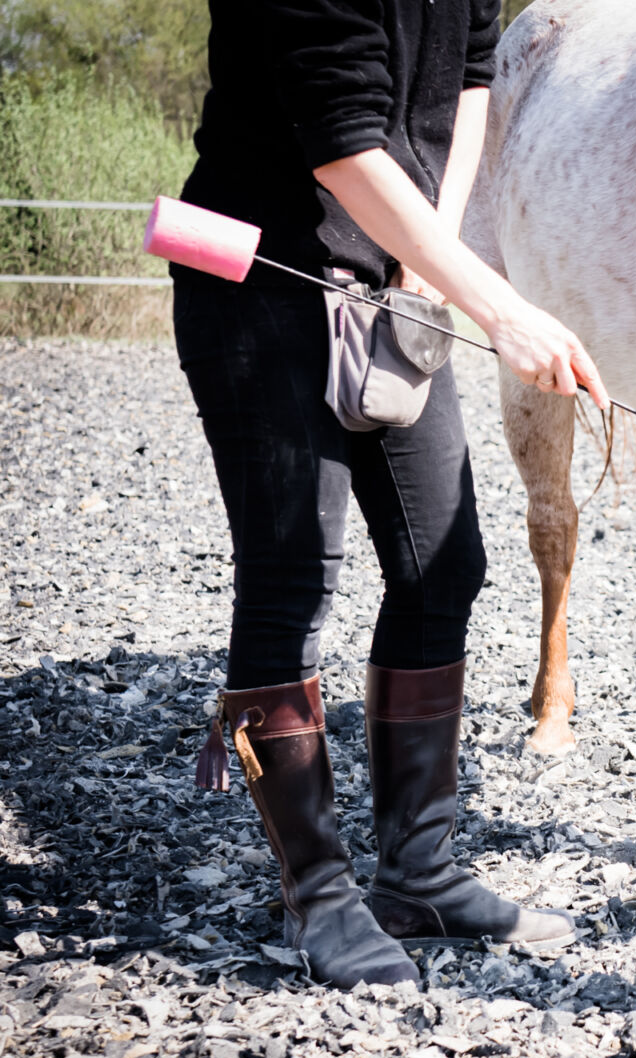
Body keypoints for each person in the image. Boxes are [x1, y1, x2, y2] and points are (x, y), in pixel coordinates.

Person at [173, 0, 607, 989]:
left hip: (391, 288)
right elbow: (341, 145)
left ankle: (419, 871)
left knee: (442, 564)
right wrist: (497, 306)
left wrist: (427, 260)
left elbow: (468, 81)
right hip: (263, 290)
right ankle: (321, 900)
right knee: (290, 580)